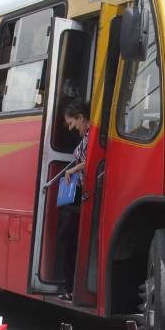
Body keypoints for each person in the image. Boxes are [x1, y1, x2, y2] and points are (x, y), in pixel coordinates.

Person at [54, 99, 91, 299]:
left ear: (81, 117)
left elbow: (93, 158)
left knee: (67, 236)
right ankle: (70, 286)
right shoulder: (86, 135)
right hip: (79, 192)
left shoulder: (92, 134)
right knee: (68, 236)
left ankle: (71, 287)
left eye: (71, 123)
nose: (70, 128)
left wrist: (75, 169)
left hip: (86, 194)